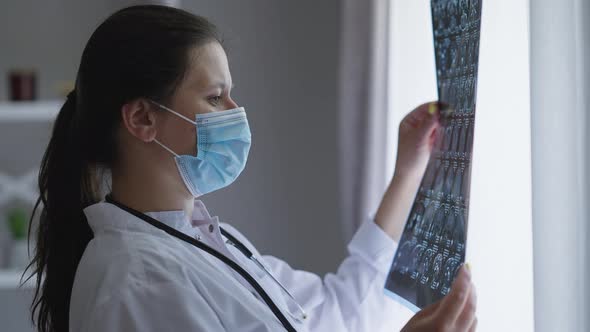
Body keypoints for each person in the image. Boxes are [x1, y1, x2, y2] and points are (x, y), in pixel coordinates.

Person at [26, 5, 476, 332]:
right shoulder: (138, 280)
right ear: (143, 118)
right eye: (215, 96)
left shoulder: (211, 242)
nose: (236, 111)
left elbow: (338, 312)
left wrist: (408, 172)